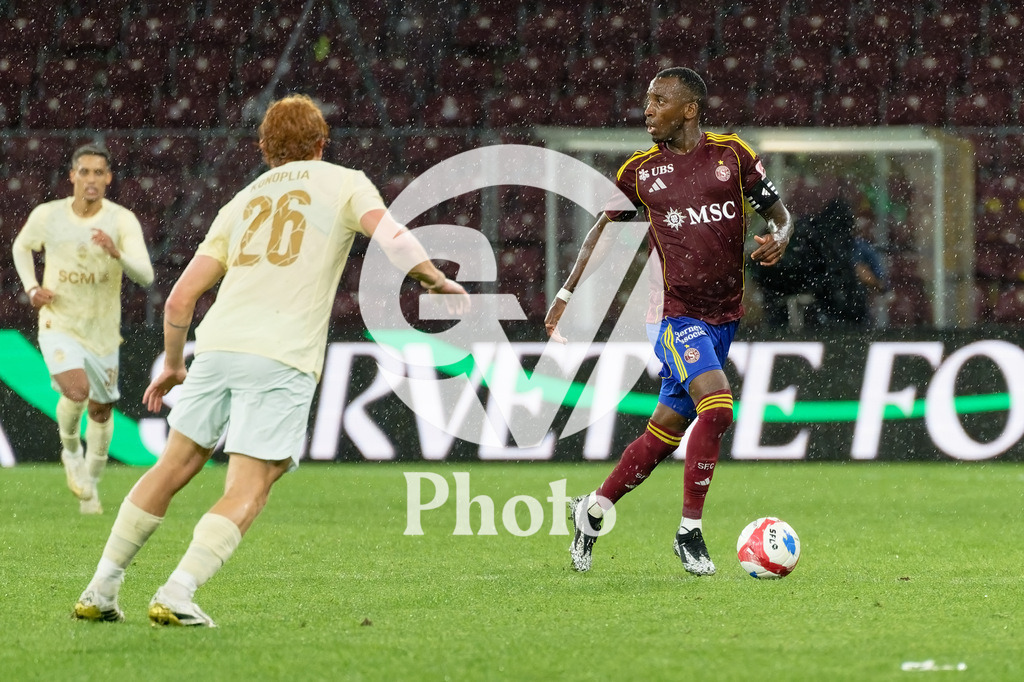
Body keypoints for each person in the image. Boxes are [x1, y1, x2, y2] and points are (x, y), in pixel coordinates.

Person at [72, 94, 469, 626]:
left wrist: (172, 363)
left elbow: (179, 300)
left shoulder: (241, 201)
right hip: (280, 355)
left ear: (264, 150)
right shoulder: (345, 181)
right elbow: (392, 237)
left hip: (215, 346)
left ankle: (101, 588)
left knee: (173, 467)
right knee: (253, 483)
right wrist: (434, 278)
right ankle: (178, 590)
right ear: (321, 144)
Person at [544, 67, 794, 575]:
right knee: (719, 409)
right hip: (676, 317)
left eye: (660, 101)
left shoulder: (733, 156)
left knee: (664, 433)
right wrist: (565, 294)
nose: (648, 110)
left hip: (726, 318)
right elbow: (599, 233)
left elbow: (780, 214)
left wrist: (782, 235)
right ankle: (689, 532)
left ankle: (592, 511)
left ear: (690, 109)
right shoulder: (639, 172)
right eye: (647, 101)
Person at [11, 143, 154, 515]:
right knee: (76, 391)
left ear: (108, 178)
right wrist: (31, 287)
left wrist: (116, 253)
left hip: (103, 330)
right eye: (85, 172)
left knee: (102, 410)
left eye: (99, 173)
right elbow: (21, 247)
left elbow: (147, 275)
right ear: (72, 176)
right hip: (59, 321)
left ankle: (91, 484)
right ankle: (71, 450)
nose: (91, 180)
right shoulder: (48, 216)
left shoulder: (121, 221)